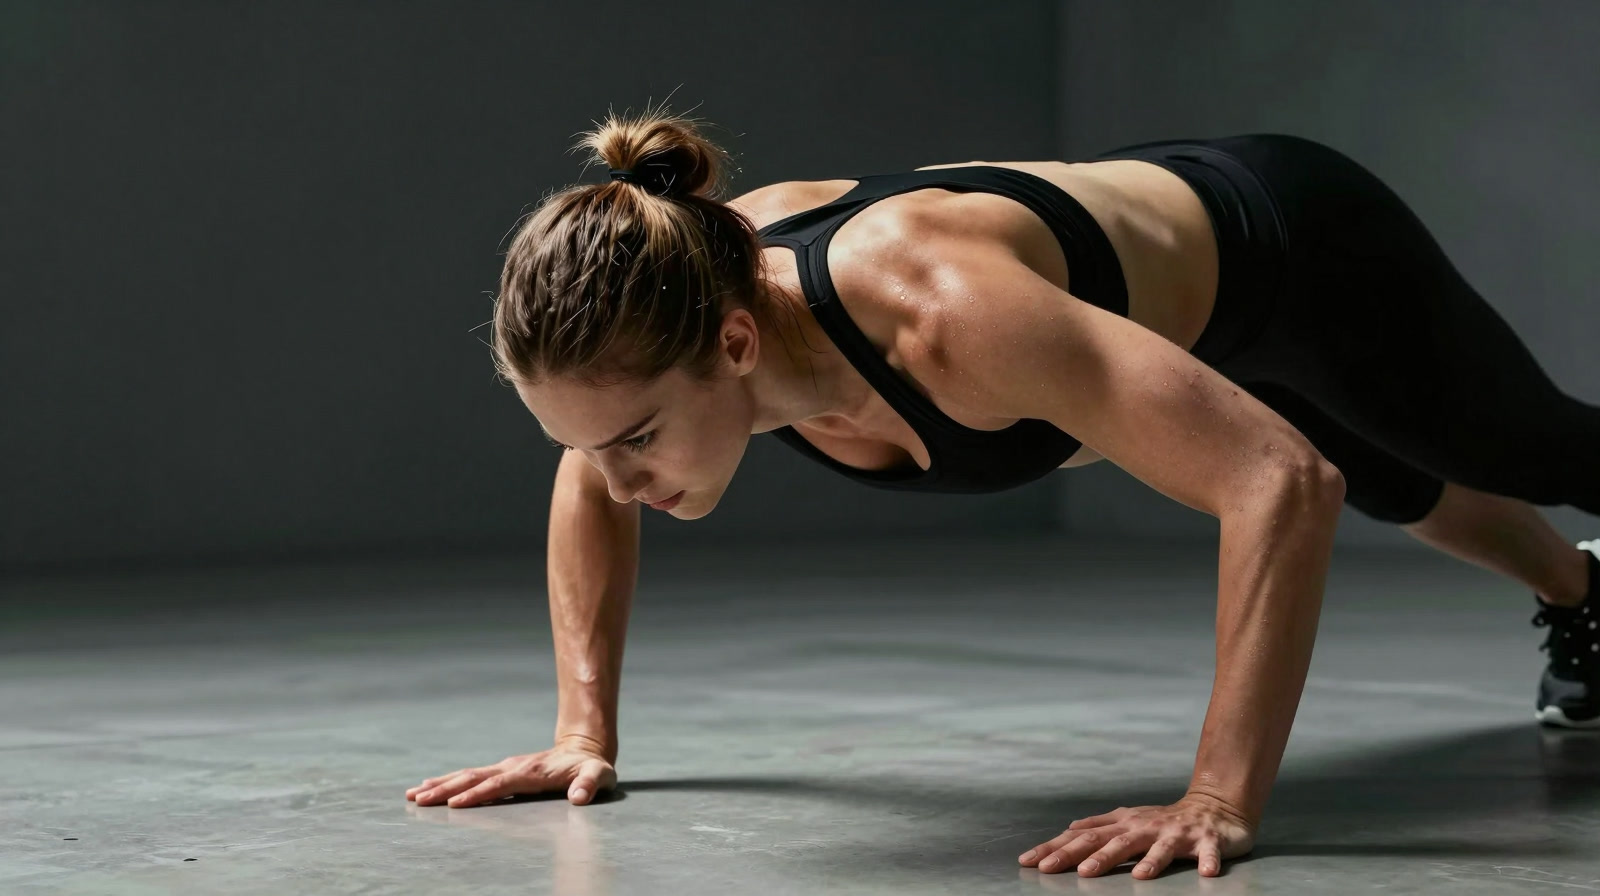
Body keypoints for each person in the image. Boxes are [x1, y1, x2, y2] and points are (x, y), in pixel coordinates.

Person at [405, 107, 1600, 880]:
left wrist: (1218, 796)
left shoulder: (942, 316)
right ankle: (1583, 593)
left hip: (1298, 252)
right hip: (1142, 308)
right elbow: (591, 471)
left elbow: (1281, 480)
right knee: (1407, 483)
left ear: (731, 346)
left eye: (633, 440)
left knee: (1534, 448)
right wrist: (581, 731)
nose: (609, 476)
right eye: (584, 444)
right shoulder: (663, 326)